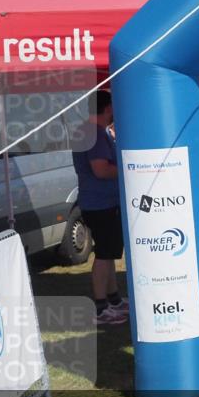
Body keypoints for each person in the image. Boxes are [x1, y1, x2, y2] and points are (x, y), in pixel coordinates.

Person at [70, 90, 128, 326]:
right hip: (100, 203)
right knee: (104, 254)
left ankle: (113, 300)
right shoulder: (92, 133)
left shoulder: (95, 132)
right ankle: (100, 307)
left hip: (102, 202)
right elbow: (101, 170)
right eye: (113, 106)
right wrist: (128, 169)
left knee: (109, 252)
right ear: (107, 108)